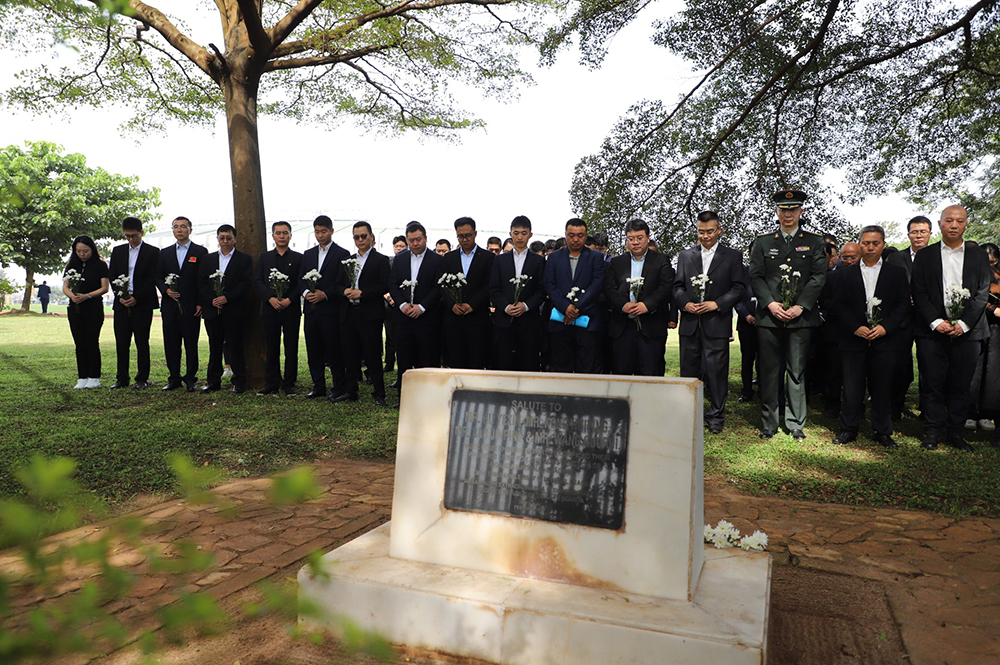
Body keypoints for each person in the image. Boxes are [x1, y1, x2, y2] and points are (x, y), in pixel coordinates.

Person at [910, 205, 992, 451]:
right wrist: (937, 322)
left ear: (966, 223)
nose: (954, 225)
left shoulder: (978, 256)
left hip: (969, 332)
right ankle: (932, 431)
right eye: (949, 220)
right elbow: (919, 292)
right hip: (932, 331)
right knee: (932, 382)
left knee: (961, 384)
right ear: (940, 223)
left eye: (959, 220)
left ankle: (955, 433)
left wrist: (964, 323)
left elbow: (982, 293)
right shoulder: (926, 255)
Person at [749, 189, 827, 439]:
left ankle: (795, 423)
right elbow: (756, 276)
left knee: (796, 371)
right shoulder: (763, 241)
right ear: (776, 212)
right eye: (783, 210)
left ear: (801, 212)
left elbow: (818, 277)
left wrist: (800, 306)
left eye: (793, 209)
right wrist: (770, 304)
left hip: (800, 318)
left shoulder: (815, 241)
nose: (788, 214)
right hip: (769, 318)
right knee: (769, 371)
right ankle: (769, 423)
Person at [832, 226, 911, 448]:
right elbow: (838, 305)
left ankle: (883, 431)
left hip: (884, 340)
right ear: (859, 244)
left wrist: (886, 327)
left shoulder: (896, 273)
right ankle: (848, 429)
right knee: (851, 387)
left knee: (882, 387)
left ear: (883, 245)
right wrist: (855, 327)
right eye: (866, 243)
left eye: (875, 243)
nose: (870, 247)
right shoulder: (845, 274)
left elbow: (903, 304)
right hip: (853, 339)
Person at [672, 211, 746, 432]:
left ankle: (716, 416)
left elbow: (739, 288)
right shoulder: (685, 256)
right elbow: (677, 287)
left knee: (716, 371)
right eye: (701, 232)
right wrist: (685, 304)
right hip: (689, 323)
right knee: (688, 370)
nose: (705, 236)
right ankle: (687, 413)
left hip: (717, 322)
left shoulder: (732, 256)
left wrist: (718, 304)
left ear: (719, 230)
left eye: (710, 232)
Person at [604, 218, 674, 376]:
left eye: (639, 238)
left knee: (650, 374)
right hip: (622, 327)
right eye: (631, 239)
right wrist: (623, 305)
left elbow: (665, 287)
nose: (635, 242)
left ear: (648, 238)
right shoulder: (616, 262)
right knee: (622, 374)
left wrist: (647, 305)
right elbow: (609, 289)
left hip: (651, 327)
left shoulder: (661, 260)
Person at [388, 221, 444, 402]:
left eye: (418, 239)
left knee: (427, 360)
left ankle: (428, 399)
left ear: (425, 238)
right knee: (404, 360)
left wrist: (422, 307)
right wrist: (402, 304)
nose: (415, 243)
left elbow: (438, 287)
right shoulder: (400, 258)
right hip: (403, 318)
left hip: (427, 319)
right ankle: (403, 399)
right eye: (411, 240)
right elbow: (393, 284)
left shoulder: (437, 260)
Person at [336, 221, 391, 405]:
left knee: (373, 355)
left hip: (369, 314)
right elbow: (337, 284)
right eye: (356, 237)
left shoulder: (381, 260)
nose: (360, 240)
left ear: (371, 237)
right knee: (349, 354)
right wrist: (344, 291)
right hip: (348, 313)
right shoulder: (347, 261)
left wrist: (363, 293)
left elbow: (385, 285)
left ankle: (379, 393)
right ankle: (351, 391)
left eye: (363, 236)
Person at [543, 218, 607, 373]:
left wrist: (576, 308)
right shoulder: (554, 257)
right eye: (571, 235)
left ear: (585, 236)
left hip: (587, 322)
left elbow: (596, 286)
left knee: (586, 369)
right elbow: (549, 285)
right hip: (560, 321)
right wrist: (566, 307)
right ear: (565, 235)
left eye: (580, 235)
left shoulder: (596, 258)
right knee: (561, 369)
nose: (576, 239)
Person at [299, 215, 350, 401]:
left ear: (331, 231)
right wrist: (306, 293)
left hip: (331, 310)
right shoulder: (308, 254)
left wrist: (325, 294)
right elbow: (301, 278)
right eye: (317, 232)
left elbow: (341, 281)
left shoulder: (342, 254)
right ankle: (318, 385)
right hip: (311, 310)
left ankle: (338, 386)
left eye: (323, 231)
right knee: (313, 349)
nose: (320, 235)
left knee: (334, 350)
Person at [886, 215, 932, 421]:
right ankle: (895, 408)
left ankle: (927, 411)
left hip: (930, 320)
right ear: (909, 235)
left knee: (929, 367)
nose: (919, 235)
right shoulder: (897, 258)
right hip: (902, 320)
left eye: (923, 231)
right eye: (915, 232)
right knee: (899, 365)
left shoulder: (939, 257)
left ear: (930, 233)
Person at [198, 224, 253, 393]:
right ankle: (213, 382)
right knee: (214, 347)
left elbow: (246, 283)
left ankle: (238, 382)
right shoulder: (208, 259)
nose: (225, 241)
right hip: (213, 311)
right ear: (217, 239)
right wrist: (212, 299)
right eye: (222, 238)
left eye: (229, 238)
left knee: (235, 346)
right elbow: (201, 282)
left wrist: (227, 297)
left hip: (234, 310)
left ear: (235, 239)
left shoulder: (244, 259)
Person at [156, 216, 207, 392]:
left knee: (191, 343)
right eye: (176, 227)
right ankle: (174, 378)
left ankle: (191, 378)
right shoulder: (165, 252)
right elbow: (158, 276)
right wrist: (166, 291)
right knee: (171, 343)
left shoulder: (200, 252)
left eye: (183, 227)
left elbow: (203, 279)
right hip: (170, 306)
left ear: (190, 230)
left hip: (191, 306)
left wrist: (200, 302)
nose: (179, 230)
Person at [108, 217, 160, 390]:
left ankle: (142, 378)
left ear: (141, 233)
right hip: (121, 303)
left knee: (142, 341)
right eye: (127, 236)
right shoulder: (118, 251)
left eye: (134, 236)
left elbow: (152, 278)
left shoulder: (153, 252)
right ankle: (122, 378)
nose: (131, 239)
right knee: (122, 342)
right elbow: (113, 275)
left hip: (142, 304)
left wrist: (136, 296)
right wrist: (120, 295)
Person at [490, 216, 547, 371]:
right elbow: (494, 289)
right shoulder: (500, 260)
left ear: (530, 235)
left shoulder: (538, 261)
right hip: (504, 320)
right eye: (516, 233)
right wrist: (506, 307)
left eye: (524, 233)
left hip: (529, 321)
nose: (520, 237)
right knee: (504, 362)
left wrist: (526, 306)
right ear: (511, 234)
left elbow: (542, 290)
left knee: (529, 363)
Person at [440, 217, 495, 370]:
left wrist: (472, 305)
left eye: (468, 235)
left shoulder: (488, 257)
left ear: (475, 234)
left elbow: (489, 285)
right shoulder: (449, 258)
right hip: (454, 320)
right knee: (456, 363)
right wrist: (452, 305)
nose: (464, 239)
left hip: (477, 319)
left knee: (476, 362)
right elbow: (443, 285)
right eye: (460, 236)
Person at [255, 221, 302, 395]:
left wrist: (290, 299)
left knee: (291, 346)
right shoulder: (264, 257)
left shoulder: (298, 258)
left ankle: (289, 383)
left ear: (290, 235)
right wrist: (270, 298)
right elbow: (258, 280)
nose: (282, 236)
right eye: (278, 233)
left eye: (285, 233)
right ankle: (272, 383)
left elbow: (301, 282)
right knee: (272, 346)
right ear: (273, 235)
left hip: (291, 308)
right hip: (270, 309)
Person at [62, 235, 109, 388]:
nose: (82, 254)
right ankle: (82, 377)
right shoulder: (71, 265)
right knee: (79, 343)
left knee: (91, 341)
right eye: (78, 251)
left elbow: (104, 288)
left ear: (92, 250)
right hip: (75, 309)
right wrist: (73, 297)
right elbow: (65, 287)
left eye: (85, 251)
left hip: (93, 308)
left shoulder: (100, 265)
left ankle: (94, 377)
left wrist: (87, 296)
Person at [968, 243, 1000, 437]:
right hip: (976, 323)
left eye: (994, 261)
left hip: (997, 327)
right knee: (974, 367)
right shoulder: (971, 273)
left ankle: (988, 413)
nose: (990, 265)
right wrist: (990, 308)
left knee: (993, 369)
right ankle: (968, 411)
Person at [384, 235, 407, 377]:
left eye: (401, 246)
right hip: (388, 305)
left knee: (401, 338)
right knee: (389, 336)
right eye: (396, 246)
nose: (399, 249)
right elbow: (385, 282)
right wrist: (388, 296)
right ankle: (389, 363)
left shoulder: (407, 262)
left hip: (403, 305)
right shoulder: (389, 262)